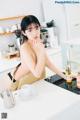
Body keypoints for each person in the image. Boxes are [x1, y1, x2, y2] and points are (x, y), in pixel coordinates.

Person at [9, 15, 66, 91]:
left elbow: (48, 63)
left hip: (37, 80)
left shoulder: (38, 43)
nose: (35, 32)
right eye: (30, 30)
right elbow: (37, 73)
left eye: (36, 28)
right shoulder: (25, 47)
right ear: (24, 32)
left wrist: (66, 77)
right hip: (23, 82)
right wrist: (41, 50)